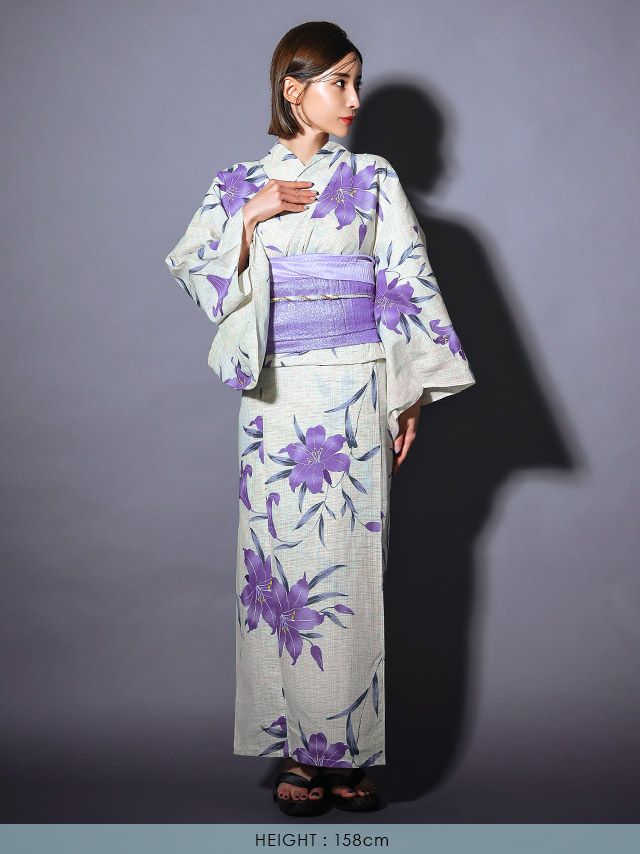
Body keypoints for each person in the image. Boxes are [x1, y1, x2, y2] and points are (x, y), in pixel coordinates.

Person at [164, 21, 476, 817]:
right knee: (279, 575)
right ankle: (299, 752)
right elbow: (194, 272)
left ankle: (346, 753)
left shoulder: (373, 177)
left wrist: (408, 394)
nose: (353, 98)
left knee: (349, 572)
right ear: (293, 89)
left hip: (355, 390)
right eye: (339, 81)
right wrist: (249, 217)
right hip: (275, 397)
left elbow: (403, 281)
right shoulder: (239, 181)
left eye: (357, 81)